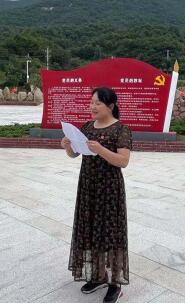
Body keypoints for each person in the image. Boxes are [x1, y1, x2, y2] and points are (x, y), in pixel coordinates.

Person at [61, 87, 132, 303]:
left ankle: (115, 284)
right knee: (91, 230)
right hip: (88, 187)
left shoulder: (121, 129)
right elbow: (75, 154)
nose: (92, 106)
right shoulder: (87, 127)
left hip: (109, 190)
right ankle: (99, 276)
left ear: (110, 106)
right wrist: (67, 146)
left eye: (97, 103)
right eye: (91, 102)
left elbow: (123, 161)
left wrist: (101, 149)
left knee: (110, 234)